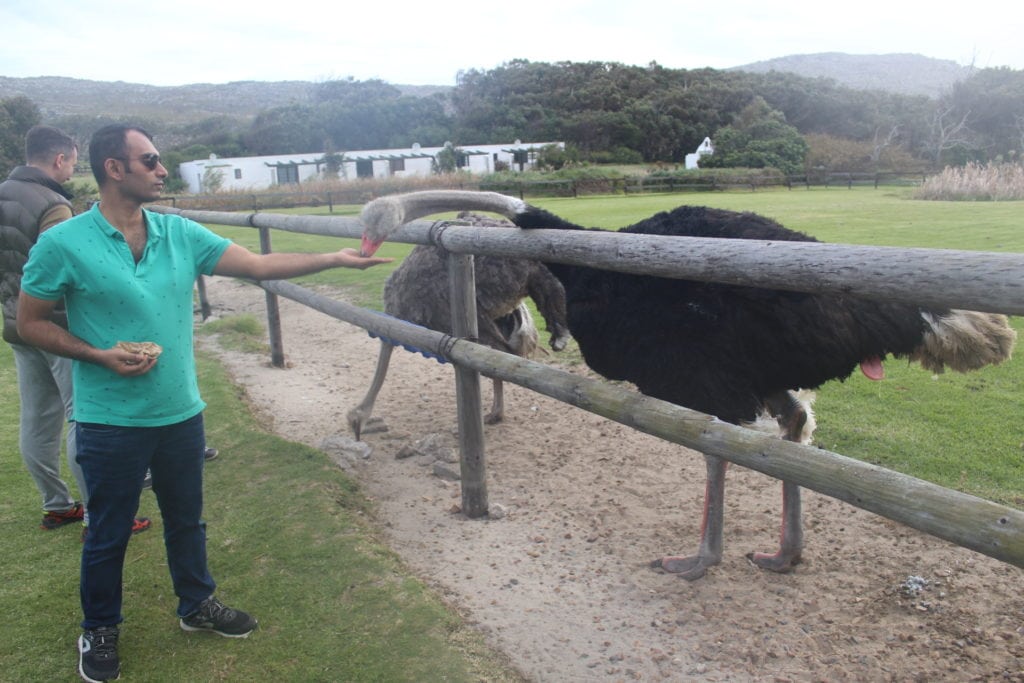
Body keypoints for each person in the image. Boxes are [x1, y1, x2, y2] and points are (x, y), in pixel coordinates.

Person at [16, 123, 392, 683]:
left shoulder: (178, 233)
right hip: (109, 420)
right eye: (150, 160)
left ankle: (197, 605)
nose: (162, 169)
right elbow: (29, 323)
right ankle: (99, 628)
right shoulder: (63, 243)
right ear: (114, 169)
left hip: (181, 413)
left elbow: (260, 266)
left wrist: (337, 258)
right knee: (108, 531)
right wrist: (98, 354)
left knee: (187, 521)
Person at [0, 125, 151, 538]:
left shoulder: (3, 193)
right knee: (79, 417)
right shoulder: (53, 205)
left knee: (36, 420)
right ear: (60, 159)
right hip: (56, 329)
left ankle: (57, 505)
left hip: (15, 324)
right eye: (71, 162)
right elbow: (64, 268)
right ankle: (97, 513)